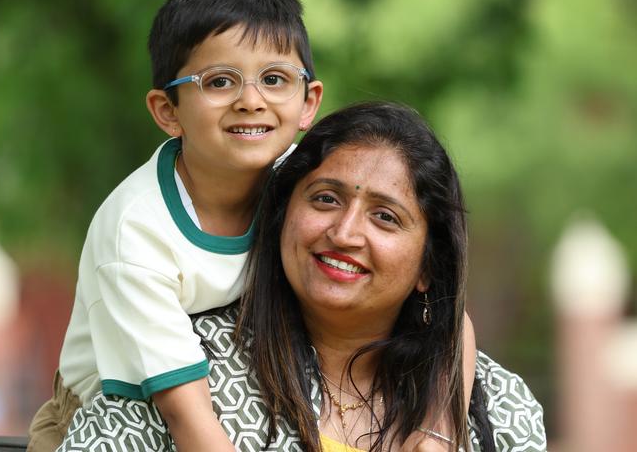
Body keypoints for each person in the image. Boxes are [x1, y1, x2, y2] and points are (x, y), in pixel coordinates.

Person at [58, 102, 546, 451]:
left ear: (427, 268)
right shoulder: (187, 364)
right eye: (326, 198)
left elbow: (450, 324)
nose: (345, 232)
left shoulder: (498, 408)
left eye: (385, 217)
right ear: (282, 217)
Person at [27, 0, 323, 452]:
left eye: (274, 79)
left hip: (244, 400)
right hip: (111, 418)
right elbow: (185, 417)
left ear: (308, 102)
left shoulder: (311, 189)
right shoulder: (137, 232)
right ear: (168, 110)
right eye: (220, 82)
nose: (252, 100)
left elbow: (428, 298)